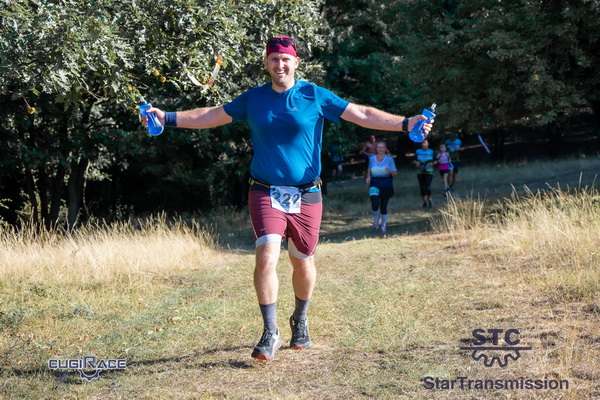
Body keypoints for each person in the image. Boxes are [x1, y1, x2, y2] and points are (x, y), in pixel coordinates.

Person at [142, 36, 433, 361]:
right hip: (264, 190)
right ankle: (270, 331)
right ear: (266, 63)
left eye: (285, 59)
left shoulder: (314, 95)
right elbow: (210, 115)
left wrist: (406, 124)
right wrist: (166, 117)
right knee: (266, 255)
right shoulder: (253, 99)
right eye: (274, 59)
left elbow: (361, 113)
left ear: (295, 62)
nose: (279, 64)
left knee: (302, 260)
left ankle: (300, 319)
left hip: (307, 193)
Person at [366, 141, 397, 234]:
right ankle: (376, 217)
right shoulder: (372, 158)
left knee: (383, 207)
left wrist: (390, 171)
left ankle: (383, 225)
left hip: (386, 183)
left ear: (385, 149)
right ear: (376, 149)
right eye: (378, 147)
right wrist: (368, 177)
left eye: (382, 147)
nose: (380, 149)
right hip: (375, 183)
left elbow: (395, 174)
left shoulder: (389, 159)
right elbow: (369, 169)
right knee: (374, 204)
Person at [414, 139, 434, 208]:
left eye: (425, 143)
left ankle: (430, 200)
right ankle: (424, 202)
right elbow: (414, 160)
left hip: (429, 171)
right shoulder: (418, 151)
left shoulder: (431, 151)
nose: (423, 144)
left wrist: (433, 163)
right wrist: (416, 163)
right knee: (422, 187)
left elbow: (436, 160)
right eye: (422, 143)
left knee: (427, 187)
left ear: (428, 143)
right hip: (420, 171)